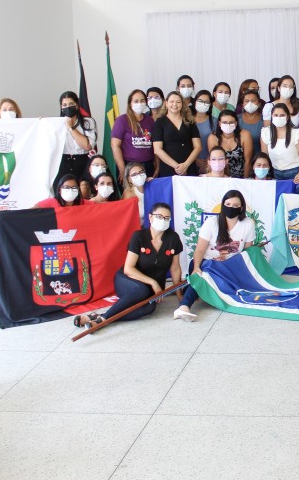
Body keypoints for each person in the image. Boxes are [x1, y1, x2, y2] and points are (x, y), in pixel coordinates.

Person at [72, 203, 183, 328]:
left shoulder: (173, 239)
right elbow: (128, 269)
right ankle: (102, 320)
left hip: (151, 288)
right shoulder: (138, 236)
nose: (163, 221)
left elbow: (175, 268)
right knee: (141, 290)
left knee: (149, 308)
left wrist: (180, 296)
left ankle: (99, 316)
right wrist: (153, 282)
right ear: (150, 217)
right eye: (159, 217)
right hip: (128, 281)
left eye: (167, 218)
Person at [174, 190, 256, 320]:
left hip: (229, 267)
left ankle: (191, 289)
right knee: (206, 275)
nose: (231, 208)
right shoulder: (211, 222)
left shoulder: (248, 224)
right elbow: (199, 250)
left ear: (241, 208)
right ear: (223, 205)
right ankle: (183, 307)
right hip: (205, 263)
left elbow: (248, 253)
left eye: (235, 205)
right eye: (228, 204)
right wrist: (196, 267)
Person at [153, 90, 202, 178]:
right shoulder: (159, 122)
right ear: (166, 103)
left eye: (178, 102)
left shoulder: (190, 122)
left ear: (182, 104)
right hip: (168, 168)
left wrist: (185, 165)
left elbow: (198, 147)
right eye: (172, 102)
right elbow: (157, 150)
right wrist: (177, 167)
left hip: (189, 167)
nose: (175, 104)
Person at [55, 91, 97, 186]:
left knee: (83, 189)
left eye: (71, 104)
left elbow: (87, 146)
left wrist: (71, 128)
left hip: (82, 162)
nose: (68, 107)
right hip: (63, 163)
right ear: (61, 107)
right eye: (64, 105)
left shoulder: (88, 122)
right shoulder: (57, 124)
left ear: (77, 105)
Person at [111, 89, 155, 179]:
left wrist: (157, 166)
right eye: (136, 101)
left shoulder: (150, 120)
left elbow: (155, 144)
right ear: (130, 103)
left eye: (142, 101)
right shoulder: (122, 120)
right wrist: (122, 169)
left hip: (148, 165)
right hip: (129, 166)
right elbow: (115, 146)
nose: (139, 104)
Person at [261, 103, 299, 185]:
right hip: (274, 173)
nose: (279, 118)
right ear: (271, 116)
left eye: (282, 115)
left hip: (295, 172)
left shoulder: (296, 133)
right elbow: (264, 155)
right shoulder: (266, 133)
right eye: (276, 115)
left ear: (288, 117)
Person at [207, 110, 253, 179]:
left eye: (231, 122)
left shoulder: (245, 135)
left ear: (236, 123)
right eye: (224, 122)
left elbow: (248, 161)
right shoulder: (213, 138)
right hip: (221, 177)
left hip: (241, 177)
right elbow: (213, 161)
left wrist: (245, 180)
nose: (228, 125)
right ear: (219, 123)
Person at [191, 90, 216, 174]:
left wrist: (209, 161)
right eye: (200, 101)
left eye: (207, 102)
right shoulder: (187, 121)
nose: (203, 104)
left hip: (209, 163)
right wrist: (195, 160)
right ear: (195, 102)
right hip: (190, 162)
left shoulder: (214, 121)